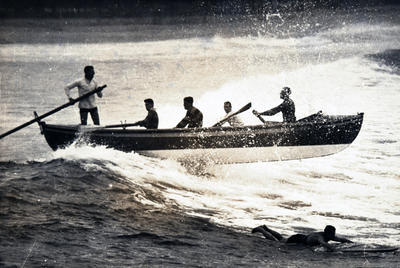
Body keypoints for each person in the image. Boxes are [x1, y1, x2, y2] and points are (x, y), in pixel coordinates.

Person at [251, 225, 353, 251]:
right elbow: (323, 243)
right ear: (327, 233)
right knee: (278, 241)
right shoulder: (320, 236)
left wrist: (351, 242)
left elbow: (341, 239)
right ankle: (262, 230)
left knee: (281, 238)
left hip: (302, 238)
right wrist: (334, 250)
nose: (333, 236)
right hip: (298, 239)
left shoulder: (329, 235)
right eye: (332, 234)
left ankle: (266, 228)